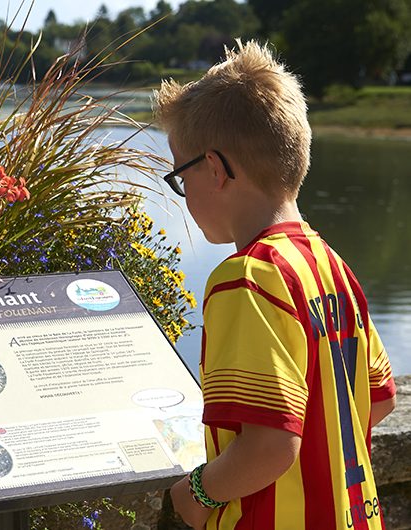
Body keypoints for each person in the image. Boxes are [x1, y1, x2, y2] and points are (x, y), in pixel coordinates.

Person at [153, 41, 397, 530]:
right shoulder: (331, 265)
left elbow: (268, 448)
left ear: (216, 170)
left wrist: (196, 492)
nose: (184, 194)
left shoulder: (247, 279)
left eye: (181, 174)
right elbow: (382, 397)